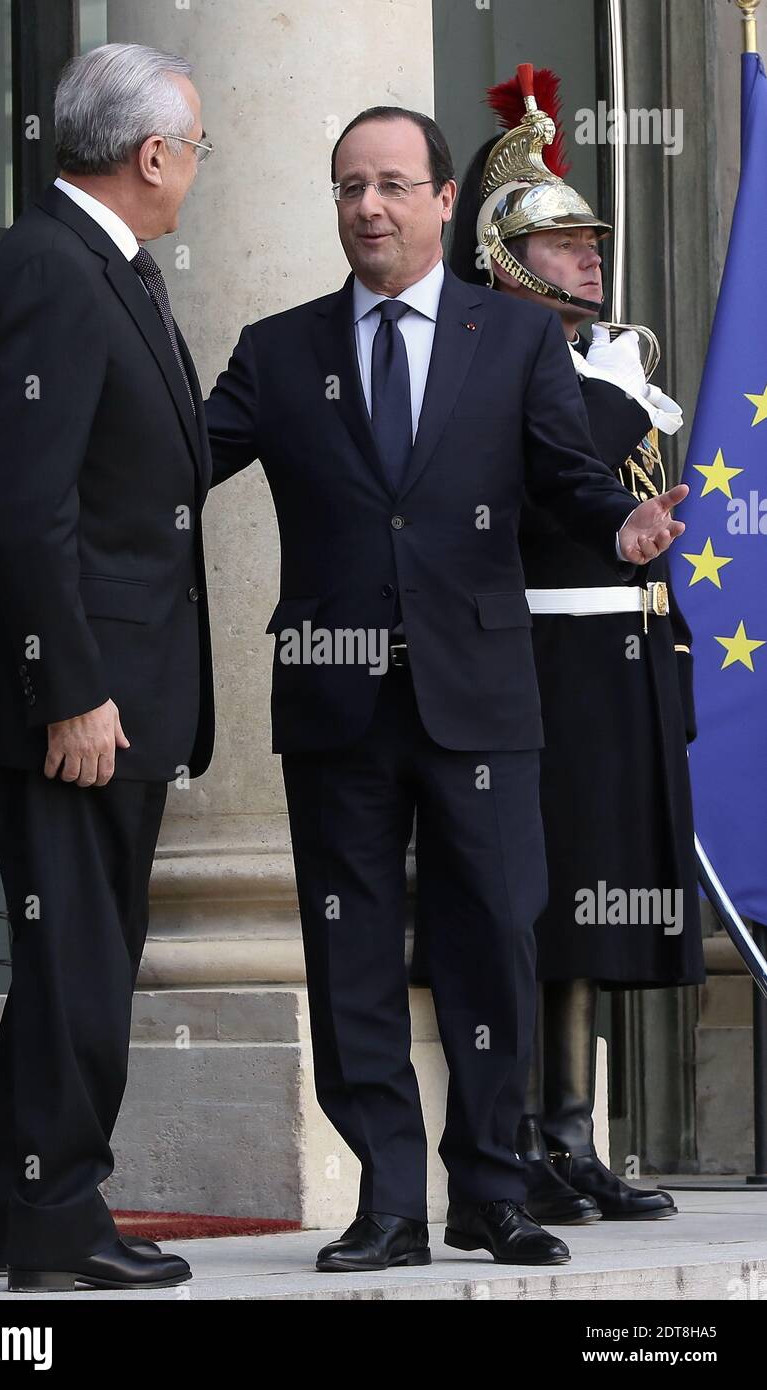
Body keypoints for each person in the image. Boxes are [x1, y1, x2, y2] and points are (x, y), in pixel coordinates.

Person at [204, 97, 688, 1272]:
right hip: (335, 701)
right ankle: (384, 1201)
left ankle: (487, 1188)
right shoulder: (280, 350)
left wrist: (621, 521)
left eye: (388, 185)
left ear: (436, 202)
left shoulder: (513, 340)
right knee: (351, 954)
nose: (365, 206)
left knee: (494, 941)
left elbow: (565, 479)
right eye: (346, 188)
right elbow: (179, 458)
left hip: (479, 696)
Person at [0, 42, 214, 1292]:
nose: (196, 170)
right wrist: (74, 688)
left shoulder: (89, 262)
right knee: (82, 963)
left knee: (72, 951)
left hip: (109, 681)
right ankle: (56, 1221)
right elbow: (26, 506)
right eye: (196, 148)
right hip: (78, 696)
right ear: (152, 154)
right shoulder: (56, 271)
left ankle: (5, 1204)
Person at [447, 65, 704, 1223]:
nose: (589, 258)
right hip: (543, 663)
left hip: (620, 661)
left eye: (592, 241)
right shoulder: (517, 358)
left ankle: (570, 1133)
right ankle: (524, 1142)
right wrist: (611, 391)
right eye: (562, 245)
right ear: (506, 259)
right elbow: (562, 485)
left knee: (604, 901)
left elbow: (644, 519)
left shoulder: (606, 359)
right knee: (546, 908)